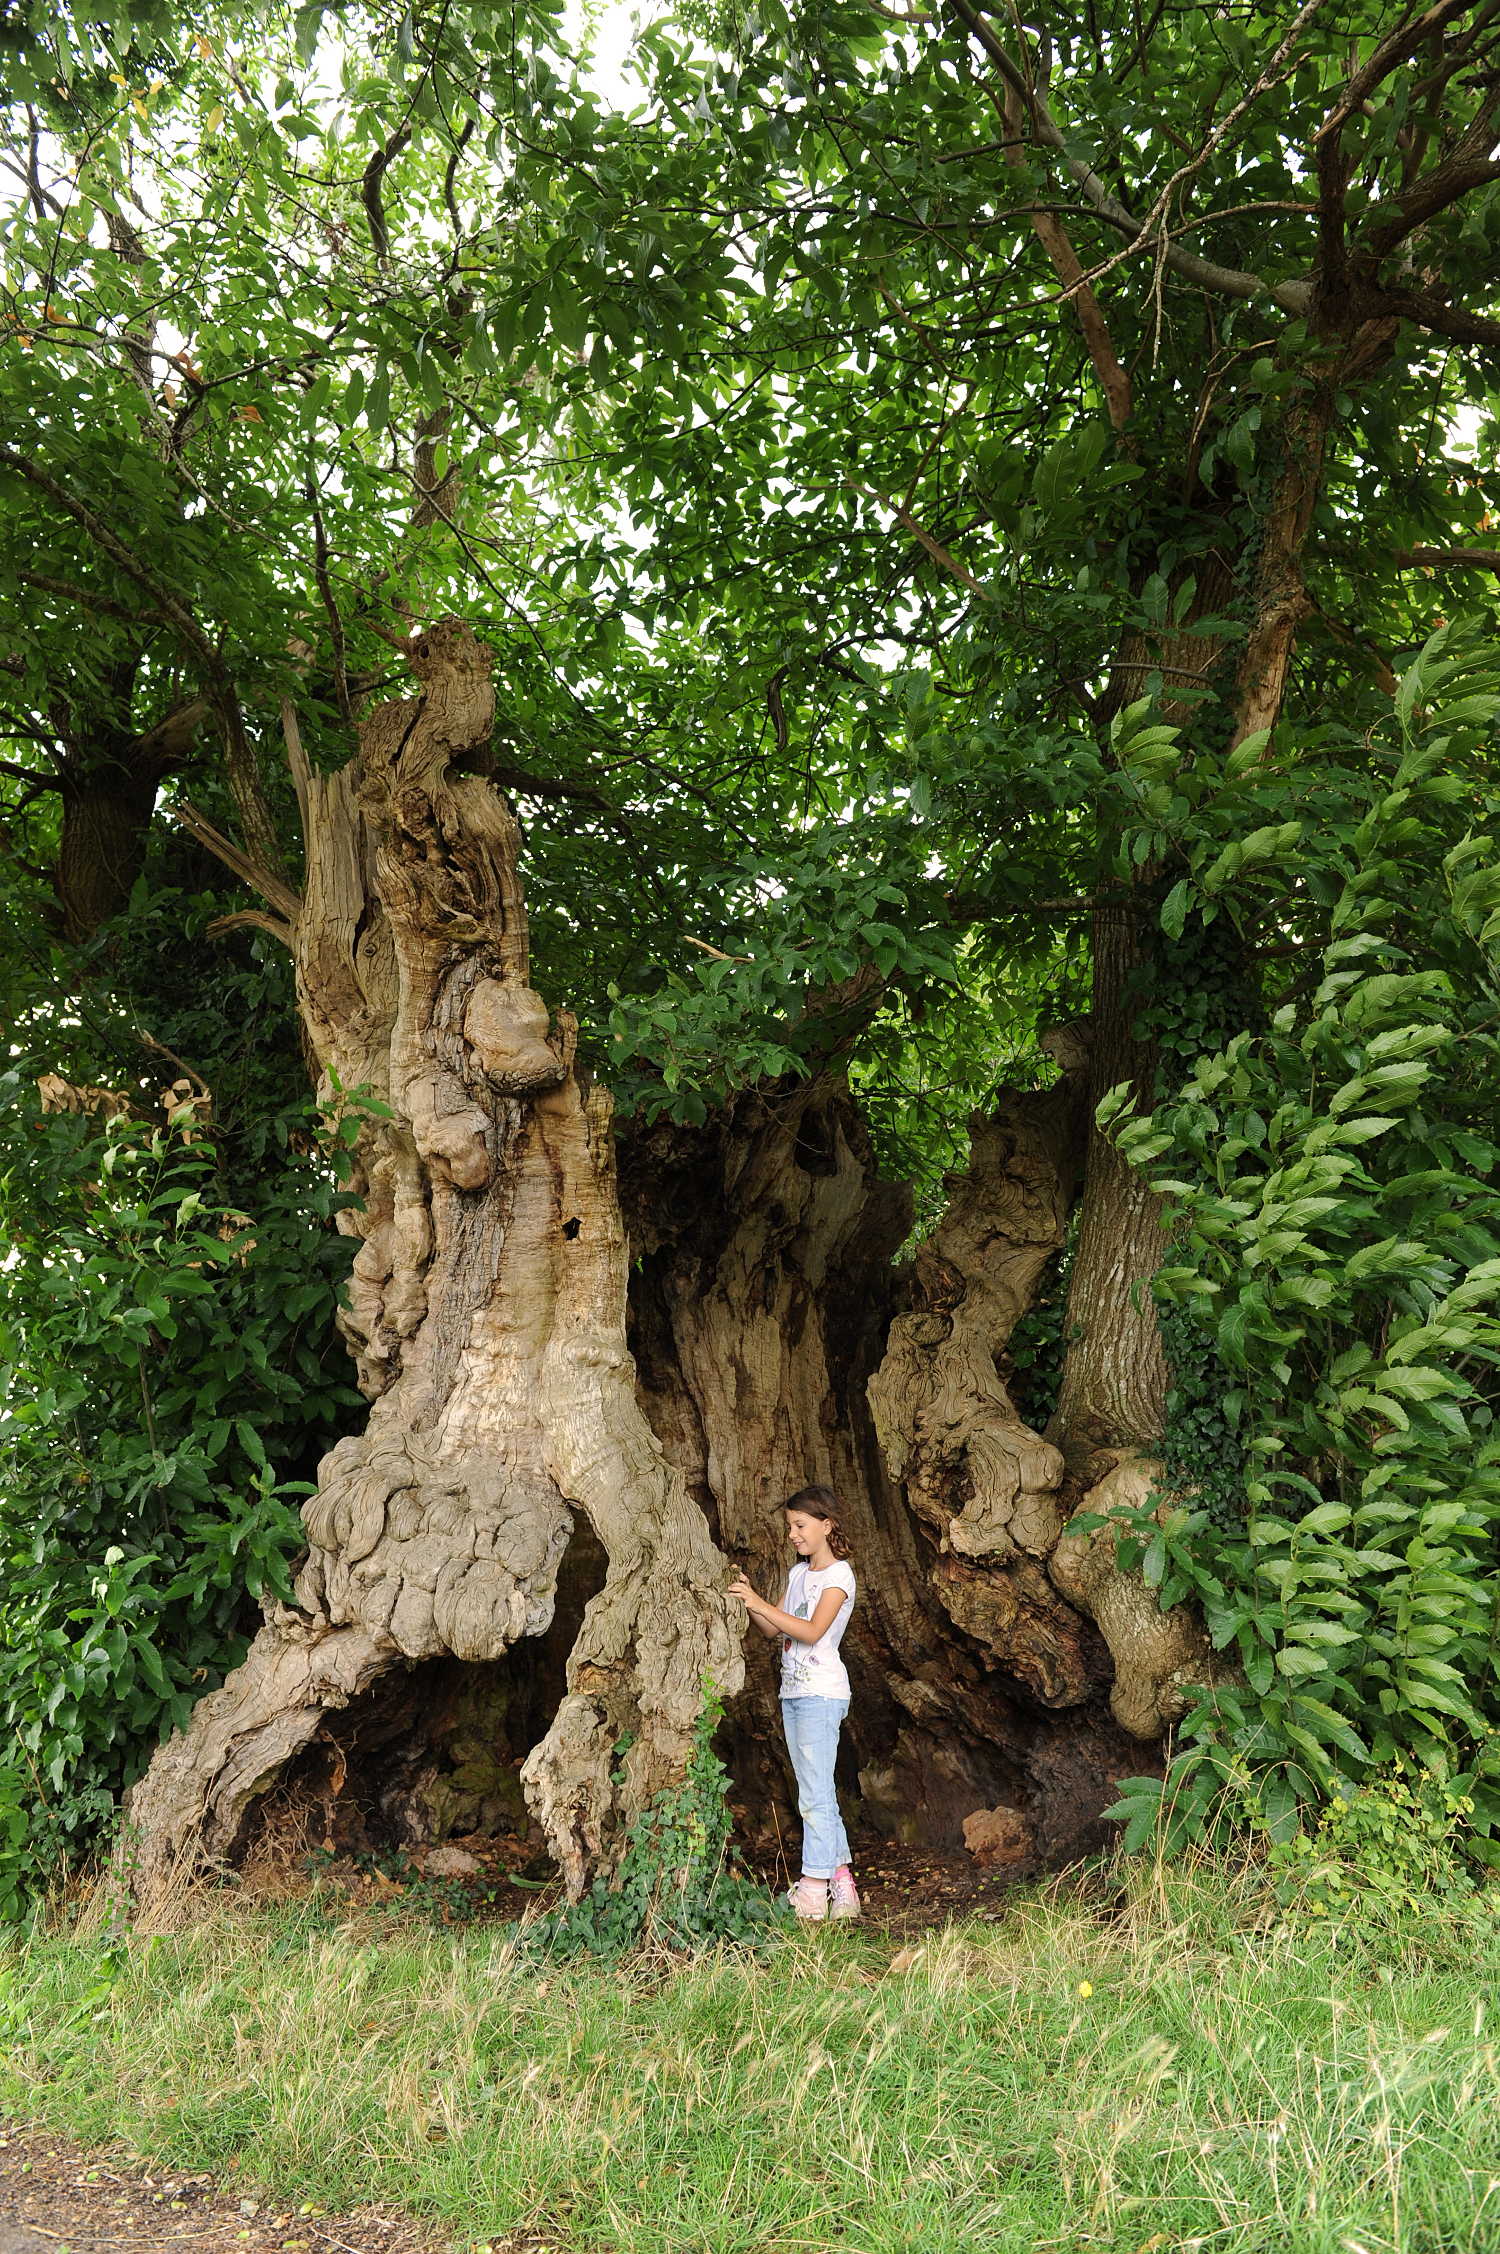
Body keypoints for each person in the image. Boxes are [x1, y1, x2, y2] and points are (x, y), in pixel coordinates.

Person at [727, 1484, 861, 1922]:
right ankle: (844, 1888)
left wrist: (761, 1602)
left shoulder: (839, 1576)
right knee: (816, 1793)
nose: (793, 1534)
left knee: (814, 1797)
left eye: (800, 1525)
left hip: (822, 1694)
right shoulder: (798, 1574)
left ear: (827, 1525)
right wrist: (750, 1600)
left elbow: (811, 1631)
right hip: (794, 1694)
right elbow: (772, 1631)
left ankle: (812, 1891)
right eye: (789, 1527)